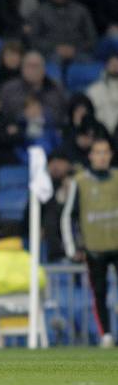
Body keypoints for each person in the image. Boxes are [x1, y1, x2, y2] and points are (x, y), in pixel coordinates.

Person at [61, 137, 118, 348]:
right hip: (95, 248)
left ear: (111, 155)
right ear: (91, 156)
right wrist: (72, 248)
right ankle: (106, 335)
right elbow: (68, 216)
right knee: (100, 292)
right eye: (98, 152)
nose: (102, 156)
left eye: (106, 152)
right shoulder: (80, 182)